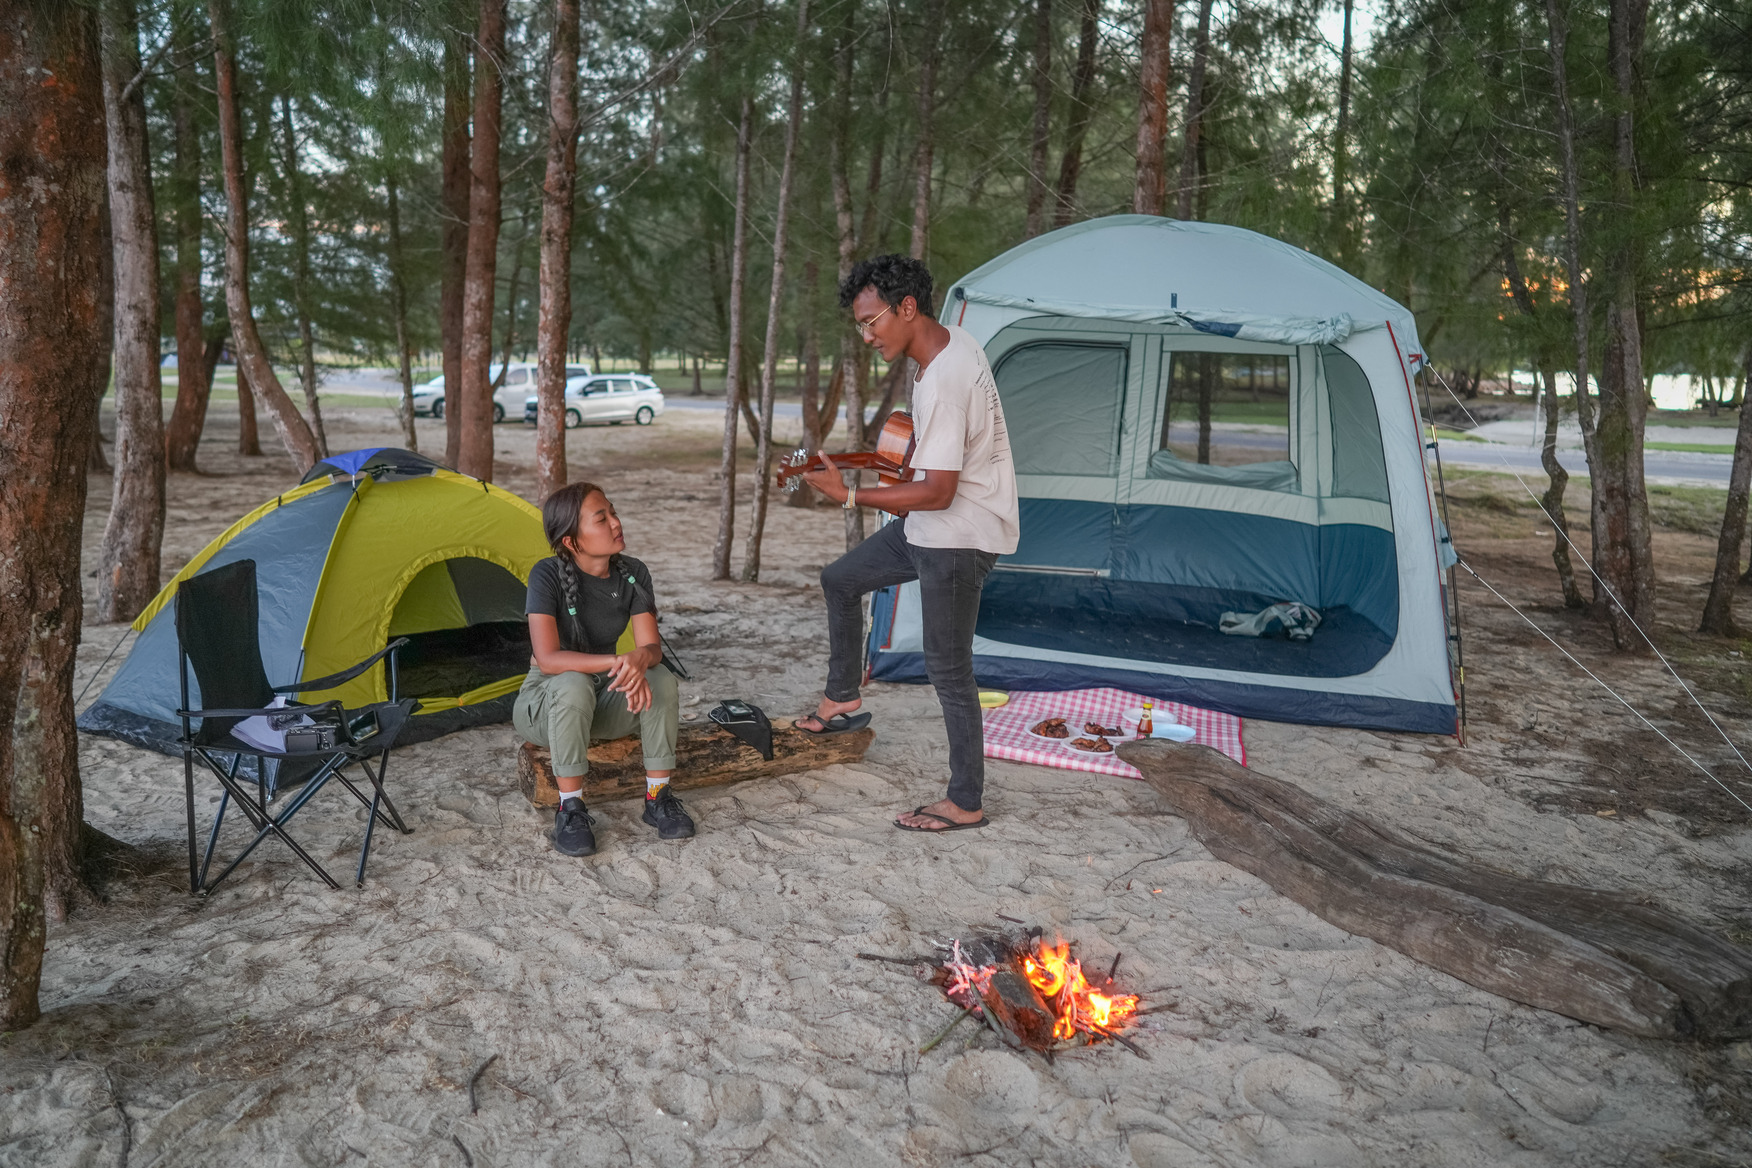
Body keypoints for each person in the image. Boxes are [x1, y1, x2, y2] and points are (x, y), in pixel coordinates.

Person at [798, 254, 1019, 832]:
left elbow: (939, 491)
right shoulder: (951, 344)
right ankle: (843, 697)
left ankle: (965, 801)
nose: (867, 335)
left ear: (908, 308)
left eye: (872, 322)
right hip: (931, 528)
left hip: (957, 536)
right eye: (860, 325)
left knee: (949, 670)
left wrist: (849, 494)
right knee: (839, 580)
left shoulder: (943, 381)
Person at [516, 481, 693, 856]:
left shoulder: (633, 573)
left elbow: (652, 648)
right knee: (573, 683)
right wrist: (618, 661)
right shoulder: (545, 576)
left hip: (604, 699)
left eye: (613, 512)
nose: (616, 522)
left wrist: (639, 660)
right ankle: (570, 809)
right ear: (571, 541)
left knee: (659, 678)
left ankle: (658, 797)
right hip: (545, 706)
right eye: (602, 518)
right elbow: (548, 658)